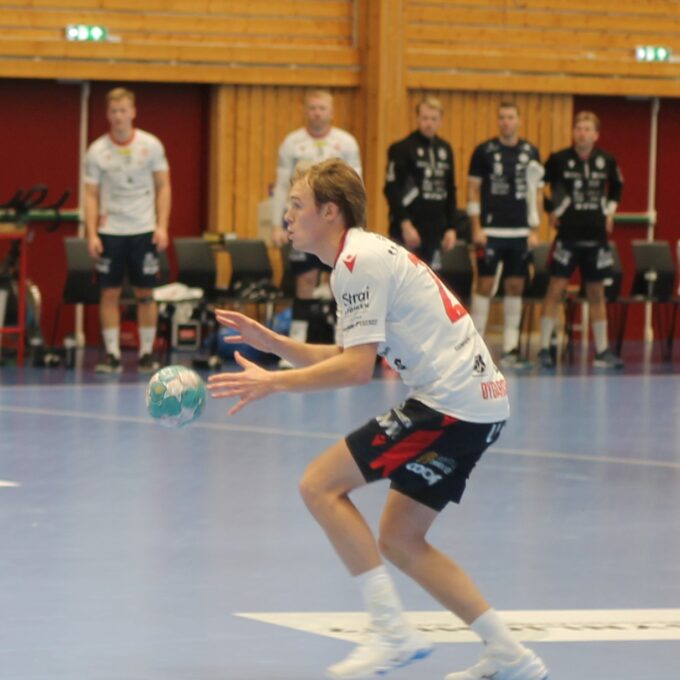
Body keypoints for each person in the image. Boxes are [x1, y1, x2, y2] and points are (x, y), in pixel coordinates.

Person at [208, 158, 548, 680]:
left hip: (451, 404)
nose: (287, 216)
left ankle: (391, 633)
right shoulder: (360, 256)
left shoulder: (356, 263)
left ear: (330, 211)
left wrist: (272, 383)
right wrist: (275, 345)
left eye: (297, 205)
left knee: (319, 486)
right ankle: (511, 656)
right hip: (475, 403)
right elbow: (351, 352)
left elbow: (355, 370)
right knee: (400, 539)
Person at [84, 87, 171, 373]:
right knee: (109, 293)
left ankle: (146, 353)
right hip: (111, 230)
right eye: (113, 111)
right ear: (107, 115)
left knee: (145, 292)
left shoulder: (151, 145)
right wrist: (92, 233)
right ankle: (112, 354)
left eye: (123, 110)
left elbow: (163, 186)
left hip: (143, 229)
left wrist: (162, 226)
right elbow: (90, 194)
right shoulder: (96, 151)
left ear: (133, 112)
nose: (119, 116)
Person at [271, 88, 362, 344]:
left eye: (322, 108)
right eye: (312, 108)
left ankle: (339, 342)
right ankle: (297, 342)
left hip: (335, 223)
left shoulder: (346, 143)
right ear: (305, 111)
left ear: (331, 112)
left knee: (338, 279)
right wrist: (277, 224)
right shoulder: (292, 143)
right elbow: (281, 185)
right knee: (305, 279)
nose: (317, 113)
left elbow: (356, 185)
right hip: (304, 221)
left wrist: (355, 223)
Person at [537, 111, 624, 370]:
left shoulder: (606, 160)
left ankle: (602, 351)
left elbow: (617, 186)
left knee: (597, 292)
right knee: (555, 288)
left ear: (596, 135)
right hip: (568, 236)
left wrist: (610, 212)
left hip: (596, 236)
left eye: (587, 129)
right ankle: (544, 348)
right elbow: (539, 185)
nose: (582, 133)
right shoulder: (559, 159)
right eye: (578, 128)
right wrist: (550, 210)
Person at [468, 102, 543, 369]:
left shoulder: (530, 152)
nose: (506, 122)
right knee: (485, 285)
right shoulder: (484, 151)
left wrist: (535, 229)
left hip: (520, 232)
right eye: (501, 117)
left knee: (515, 286)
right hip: (491, 231)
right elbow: (473, 190)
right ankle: (474, 348)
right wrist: (476, 227)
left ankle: (510, 348)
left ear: (519, 120)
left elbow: (536, 193)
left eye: (510, 117)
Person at [384, 96, 458, 265]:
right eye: (425, 118)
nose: (429, 123)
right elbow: (392, 190)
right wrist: (405, 224)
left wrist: (451, 227)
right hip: (409, 229)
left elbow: (450, 189)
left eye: (433, 119)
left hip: (436, 229)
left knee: (433, 276)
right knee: (404, 275)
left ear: (440, 120)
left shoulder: (445, 149)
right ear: (417, 118)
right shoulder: (401, 149)